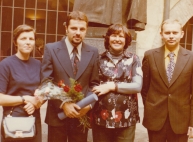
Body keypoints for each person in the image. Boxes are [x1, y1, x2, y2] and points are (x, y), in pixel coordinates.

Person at [40, 11, 99, 142]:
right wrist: (63, 104)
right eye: (73, 28)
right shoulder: (51, 49)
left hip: (81, 116)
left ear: (86, 30)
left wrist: (88, 106)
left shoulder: (93, 52)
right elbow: (46, 83)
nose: (78, 32)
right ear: (66, 28)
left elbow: (94, 84)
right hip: (57, 116)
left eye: (82, 29)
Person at [141, 18, 193, 142]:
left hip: (181, 120)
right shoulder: (150, 56)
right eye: (167, 33)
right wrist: (151, 107)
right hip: (155, 118)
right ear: (161, 34)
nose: (171, 36)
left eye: (175, 32)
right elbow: (145, 89)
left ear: (181, 34)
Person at [92, 24, 143, 142]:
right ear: (108, 38)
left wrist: (112, 86)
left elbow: (137, 86)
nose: (117, 39)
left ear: (126, 41)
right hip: (101, 117)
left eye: (121, 36)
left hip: (126, 118)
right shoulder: (98, 59)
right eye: (114, 35)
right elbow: (92, 84)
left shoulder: (134, 59)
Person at [0, 24, 42, 142]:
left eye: (31, 39)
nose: (28, 42)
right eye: (23, 38)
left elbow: (43, 91)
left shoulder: (38, 65)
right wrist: (25, 99)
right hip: (13, 122)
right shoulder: (6, 65)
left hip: (33, 120)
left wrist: (37, 102)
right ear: (15, 42)